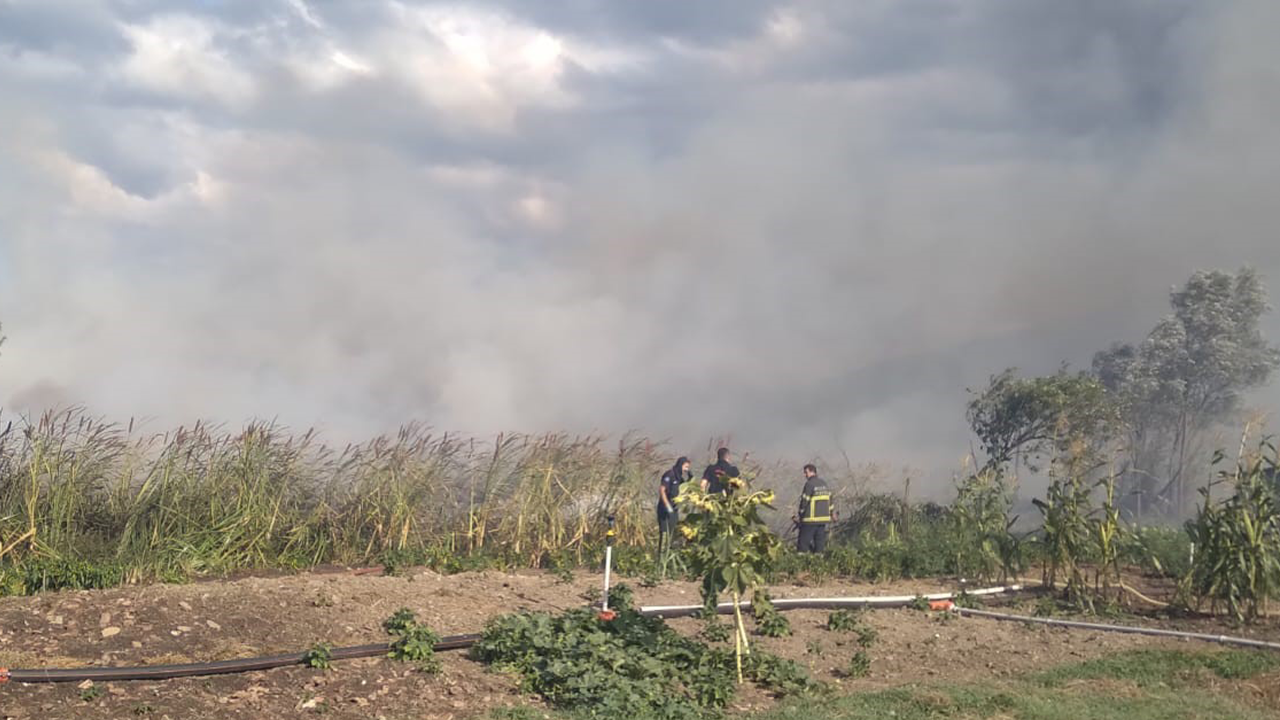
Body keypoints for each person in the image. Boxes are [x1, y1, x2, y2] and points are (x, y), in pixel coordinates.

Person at [794, 464, 832, 553]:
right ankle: (818, 562)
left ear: (812, 472)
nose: (805, 475)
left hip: (810, 519)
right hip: (823, 520)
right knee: (819, 543)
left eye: (806, 472)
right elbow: (830, 501)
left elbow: (804, 501)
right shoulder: (824, 483)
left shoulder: (809, 484)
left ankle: (800, 562)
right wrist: (831, 513)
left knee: (803, 544)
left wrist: (800, 515)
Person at [657, 456, 691, 548]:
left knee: (673, 533)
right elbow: (662, 490)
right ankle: (661, 556)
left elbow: (684, 489)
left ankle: (670, 554)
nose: (686, 470)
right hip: (665, 509)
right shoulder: (670, 474)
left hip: (674, 509)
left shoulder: (680, 478)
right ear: (680, 465)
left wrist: (690, 478)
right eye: (685, 467)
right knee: (664, 534)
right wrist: (667, 506)